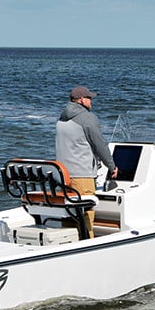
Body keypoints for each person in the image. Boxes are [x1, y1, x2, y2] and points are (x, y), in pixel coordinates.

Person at [56, 86, 118, 237]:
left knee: (69, 212)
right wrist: (112, 166)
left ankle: (69, 243)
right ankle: (87, 243)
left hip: (63, 175)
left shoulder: (62, 117)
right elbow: (99, 145)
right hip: (82, 175)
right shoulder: (87, 118)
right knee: (86, 213)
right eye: (89, 98)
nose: (91, 101)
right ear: (81, 100)